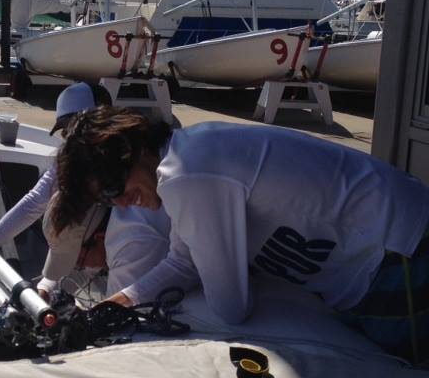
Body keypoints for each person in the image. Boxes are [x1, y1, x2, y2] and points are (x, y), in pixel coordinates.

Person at [51, 107, 429, 364]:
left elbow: (232, 305)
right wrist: (110, 307)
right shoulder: (185, 155)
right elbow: (183, 263)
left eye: (114, 186)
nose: (120, 202)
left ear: (132, 151)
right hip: (375, 255)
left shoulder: (186, 175)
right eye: (106, 198)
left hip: (396, 252)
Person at [0, 82, 170, 301]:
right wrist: (45, 288)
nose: (70, 138)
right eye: (66, 132)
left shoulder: (133, 236)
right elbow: (69, 240)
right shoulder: (85, 168)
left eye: (74, 128)